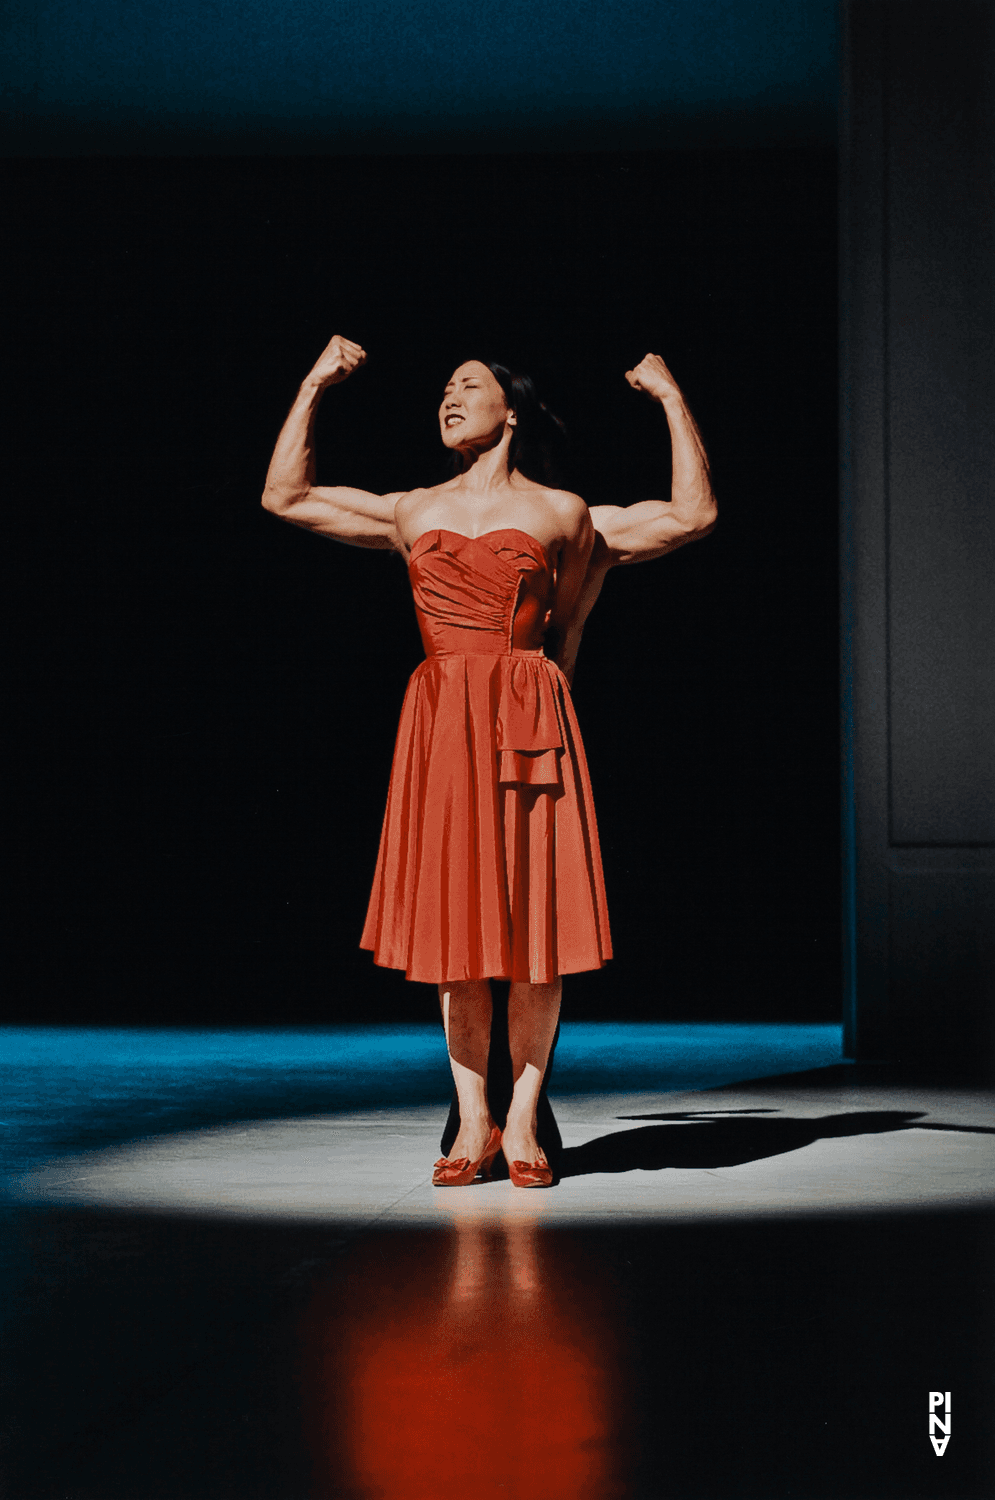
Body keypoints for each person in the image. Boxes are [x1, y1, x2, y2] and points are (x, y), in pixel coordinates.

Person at [262, 336, 716, 1186]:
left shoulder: (563, 512)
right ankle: (471, 1124)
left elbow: (690, 517)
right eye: (442, 388)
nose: (449, 396)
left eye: (467, 385)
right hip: (441, 721)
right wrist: (315, 381)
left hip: (525, 718)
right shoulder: (411, 509)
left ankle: (522, 1122)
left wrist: (667, 396)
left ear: (510, 410)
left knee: (533, 930)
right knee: (457, 930)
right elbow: (283, 496)